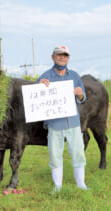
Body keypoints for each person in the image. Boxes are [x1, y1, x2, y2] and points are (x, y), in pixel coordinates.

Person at [37, 45, 87, 192]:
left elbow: (83, 98)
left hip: (73, 122)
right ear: (53, 57)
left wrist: (80, 94)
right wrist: (38, 87)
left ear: (68, 58)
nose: (62, 57)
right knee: (55, 154)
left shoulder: (75, 76)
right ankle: (57, 185)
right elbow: (34, 98)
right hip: (54, 124)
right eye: (59, 54)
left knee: (78, 152)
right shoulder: (45, 76)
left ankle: (81, 183)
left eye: (65, 55)